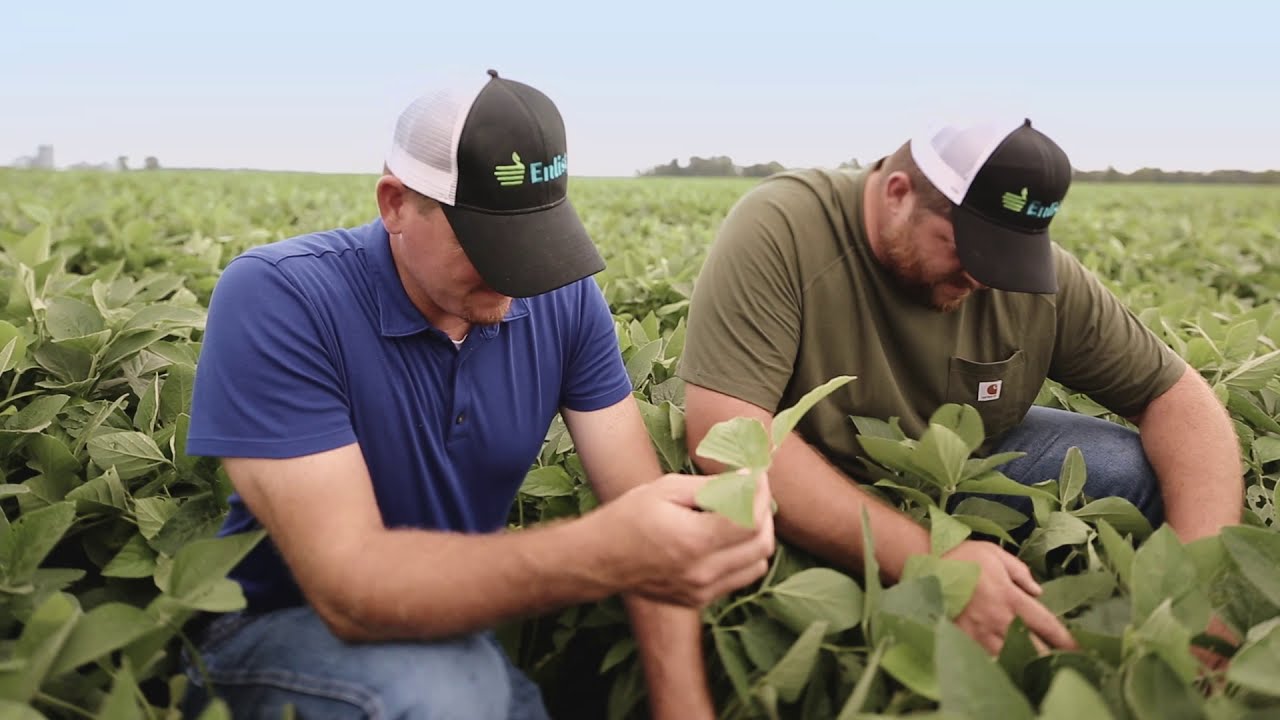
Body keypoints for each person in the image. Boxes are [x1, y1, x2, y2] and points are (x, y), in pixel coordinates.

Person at [181, 69, 775, 719]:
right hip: (267, 635)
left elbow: (645, 517)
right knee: (436, 692)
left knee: (457, 685)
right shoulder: (280, 297)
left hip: (459, 642)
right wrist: (603, 551)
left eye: (532, 242)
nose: (514, 276)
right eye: (487, 242)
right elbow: (348, 590)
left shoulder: (564, 299)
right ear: (394, 204)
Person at [677, 118, 1242, 656]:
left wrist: (1201, 583)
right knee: (703, 547)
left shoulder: (1026, 276)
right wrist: (933, 560)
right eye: (967, 249)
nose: (984, 276)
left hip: (953, 471)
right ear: (897, 194)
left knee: (1139, 473)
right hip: (812, 474)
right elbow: (726, 429)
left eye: (1007, 256)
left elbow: (1176, 397)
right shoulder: (786, 224)